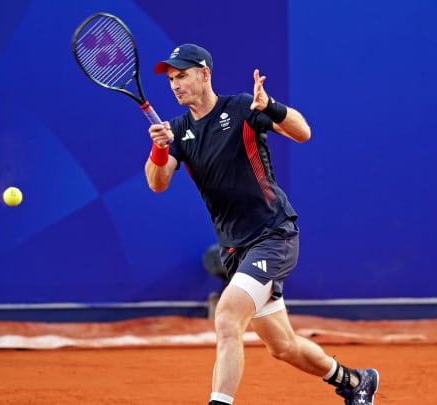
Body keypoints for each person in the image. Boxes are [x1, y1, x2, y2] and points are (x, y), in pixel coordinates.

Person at [144, 43, 379, 405]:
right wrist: (160, 148)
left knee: (226, 317)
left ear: (205, 74)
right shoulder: (176, 130)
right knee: (282, 346)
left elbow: (303, 132)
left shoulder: (240, 107)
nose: (176, 85)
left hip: (273, 234)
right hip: (234, 248)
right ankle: (355, 381)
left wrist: (270, 107)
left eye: (183, 75)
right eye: (172, 79)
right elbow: (157, 183)